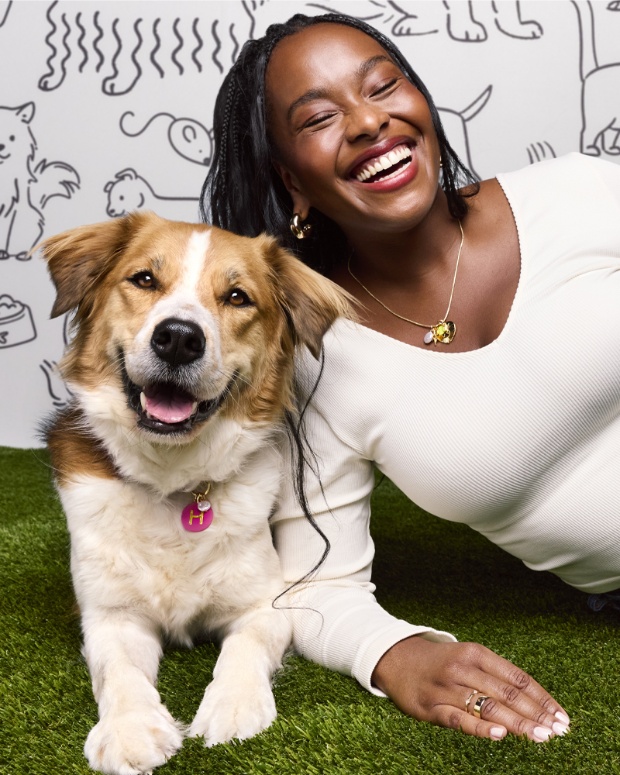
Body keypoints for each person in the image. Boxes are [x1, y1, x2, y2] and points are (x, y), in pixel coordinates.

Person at [201, 12, 620, 744]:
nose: (368, 121)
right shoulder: (314, 361)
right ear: (290, 180)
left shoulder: (579, 194)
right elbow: (319, 585)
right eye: (322, 117)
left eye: (383, 85)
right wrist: (393, 653)